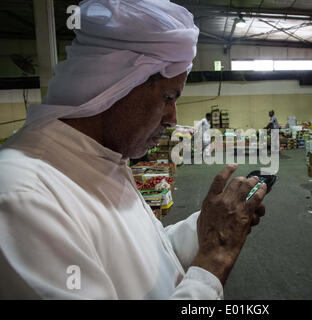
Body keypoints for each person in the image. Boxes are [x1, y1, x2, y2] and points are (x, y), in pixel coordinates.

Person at [0, 0, 267, 299]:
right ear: (117, 85)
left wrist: (207, 226)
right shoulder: (22, 198)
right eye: (168, 97)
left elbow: (145, 260)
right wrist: (213, 262)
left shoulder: (101, 157)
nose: (173, 118)